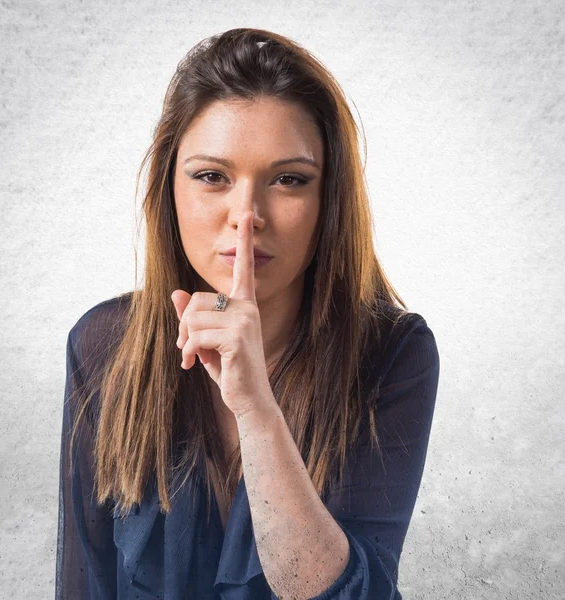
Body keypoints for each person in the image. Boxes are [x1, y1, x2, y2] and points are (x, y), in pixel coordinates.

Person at [55, 27, 440, 600]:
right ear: (170, 189)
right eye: (213, 176)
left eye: (289, 180)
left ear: (327, 200)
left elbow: (355, 593)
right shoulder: (103, 345)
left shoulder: (392, 352)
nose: (246, 215)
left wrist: (257, 410)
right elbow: (84, 582)